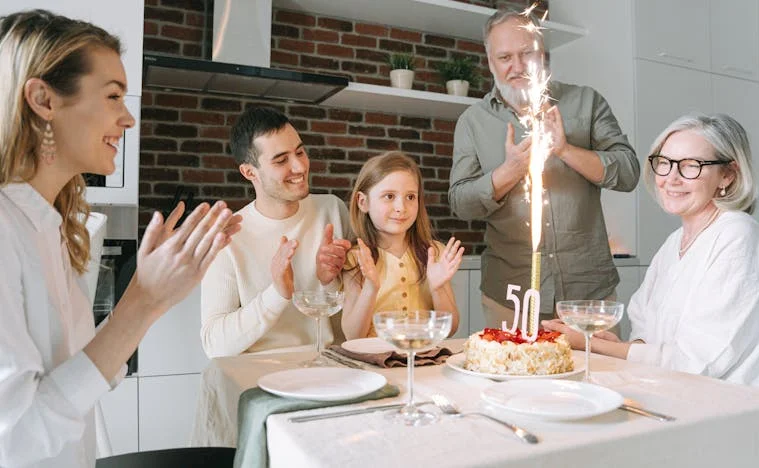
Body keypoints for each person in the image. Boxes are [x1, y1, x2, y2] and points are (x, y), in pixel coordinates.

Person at [0, 10, 242, 467]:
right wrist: (143, 302)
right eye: (113, 96)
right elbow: (18, 441)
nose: (128, 118)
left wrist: (146, 295)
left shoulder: (50, 227)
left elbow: (83, 376)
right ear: (43, 99)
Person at [543, 114, 759, 393]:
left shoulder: (739, 237)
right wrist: (620, 345)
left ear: (728, 174)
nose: (671, 178)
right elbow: (646, 331)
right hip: (675, 389)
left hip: (741, 402)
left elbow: (698, 363)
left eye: (691, 166)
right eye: (665, 163)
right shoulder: (674, 243)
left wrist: (592, 344)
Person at [448, 8, 639, 326]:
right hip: (510, 298)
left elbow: (629, 171)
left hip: (587, 295)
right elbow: (460, 204)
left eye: (526, 54)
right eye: (505, 57)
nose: (517, 67)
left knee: (598, 377)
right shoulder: (472, 121)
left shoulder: (586, 102)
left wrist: (565, 150)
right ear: (490, 60)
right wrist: (510, 171)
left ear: (543, 53)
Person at [200, 107, 351, 357]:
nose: (300, 167)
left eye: (300, 152)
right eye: (281, 160)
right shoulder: (228, 237)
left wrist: (333, 280)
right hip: (259, 374)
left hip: (328, 365)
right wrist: (277, 293)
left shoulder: (332, 209)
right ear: (250, 172)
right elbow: (214, 345)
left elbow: (358, 308)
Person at [341, 151, 463, 339]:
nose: (401, 207)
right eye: (389, 196)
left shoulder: (435, 253)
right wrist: (371, 288)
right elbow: (353, 336)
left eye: (410, 197)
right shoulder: (355, 258)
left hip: (422, 360)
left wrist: (438, 288)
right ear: (363, 202)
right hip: (374, 362)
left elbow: (450, 329)